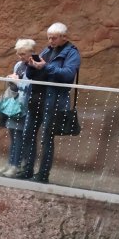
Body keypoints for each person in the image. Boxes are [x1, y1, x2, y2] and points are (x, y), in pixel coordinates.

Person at [15, 22, 82, 183]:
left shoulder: (72, 53)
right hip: (36, 99)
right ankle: (27, 169)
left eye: (54, 38)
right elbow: (32, 74)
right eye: (49, 38)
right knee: (28, 134)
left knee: (46, 138)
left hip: (54, 101)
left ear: (64, 37)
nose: (50, 41)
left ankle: (43, 174)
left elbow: (68, 75)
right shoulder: (47, 50)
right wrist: (31, 66)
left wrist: (45, 67)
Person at [0, 38, 37, 176]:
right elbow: (16, 84)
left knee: (20, 135)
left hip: (24, 105)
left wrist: (17, 82)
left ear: (31, 52)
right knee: (13, 135)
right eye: (18, 53)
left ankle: (16, 165)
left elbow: (30, 86)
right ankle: (10, 163)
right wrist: (12, 80)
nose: (20, 57)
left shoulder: (34, 66)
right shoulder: (18, 65)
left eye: (23, 54)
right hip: (13, 103)